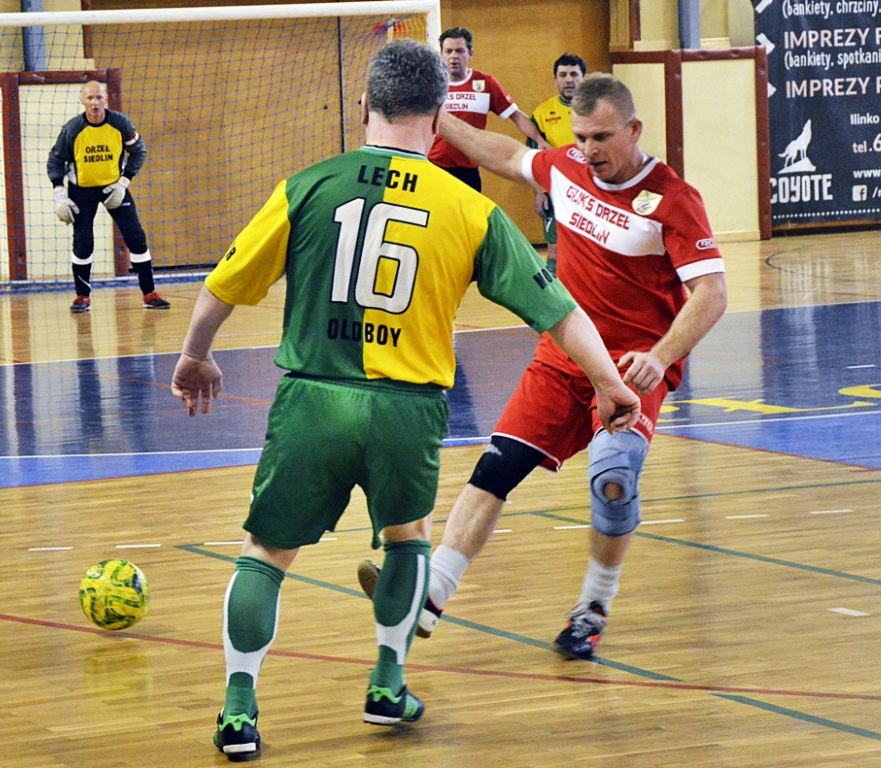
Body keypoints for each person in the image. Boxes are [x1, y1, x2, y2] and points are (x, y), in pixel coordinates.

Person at [171, 41, 639, 761]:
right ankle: (387, 686)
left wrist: (195, 356)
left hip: (313, 400)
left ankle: (239, 711)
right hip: (407, 409)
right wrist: (609, 383)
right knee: (407, 538)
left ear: (364, 109)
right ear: (441, 114)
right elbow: (559, 311)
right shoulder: (467, 208)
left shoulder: (306, 186)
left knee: (266, 551)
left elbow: (221, 287)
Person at [360, 73, 728, 660]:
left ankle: (592, 609)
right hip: (562, 357)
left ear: (634, 129)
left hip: (632, 370)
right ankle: (429, 598)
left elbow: (711, 292)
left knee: (613, 482)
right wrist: (435, 117)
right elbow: (505, 152)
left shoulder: (673, 200)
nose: (589, 149)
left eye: (602, 137)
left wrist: (660, 358)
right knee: (497, 468)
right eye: (581, 136)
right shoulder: (570, 168)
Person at [46, 80, 170, 313]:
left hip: (114, 187)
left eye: (99, 97)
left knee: (135, 236)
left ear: (106, 99)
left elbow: (138, 150)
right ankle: (82, 297)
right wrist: (59, 195)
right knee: (83, 242)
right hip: (81, 191)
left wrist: (124, 182)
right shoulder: (72, 129)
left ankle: (150, 294)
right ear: (82, 101)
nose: (95, 102)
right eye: (90, 98)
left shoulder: (120, 123)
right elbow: (55, 160)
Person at [429, 27, 550, 191]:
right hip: (434, 168)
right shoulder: (431, 85)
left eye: (459, 51)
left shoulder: (486, 83)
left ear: (470, 53)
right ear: (441, 54)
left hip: (469, 171)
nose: (453, 57)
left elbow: (516, 116)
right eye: (448, 51)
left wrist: (539, 139)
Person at [528, 53, 587, 273]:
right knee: (555, 248)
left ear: (584, 77)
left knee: (588, 247)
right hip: (554, 189)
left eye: (574, 74)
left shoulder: (595, 110)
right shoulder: (542, 113)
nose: (568, 80)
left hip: (589, 190)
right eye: (563, 75)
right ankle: (553, 299)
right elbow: (533, 158)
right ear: (555, 80)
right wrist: (539, 191)